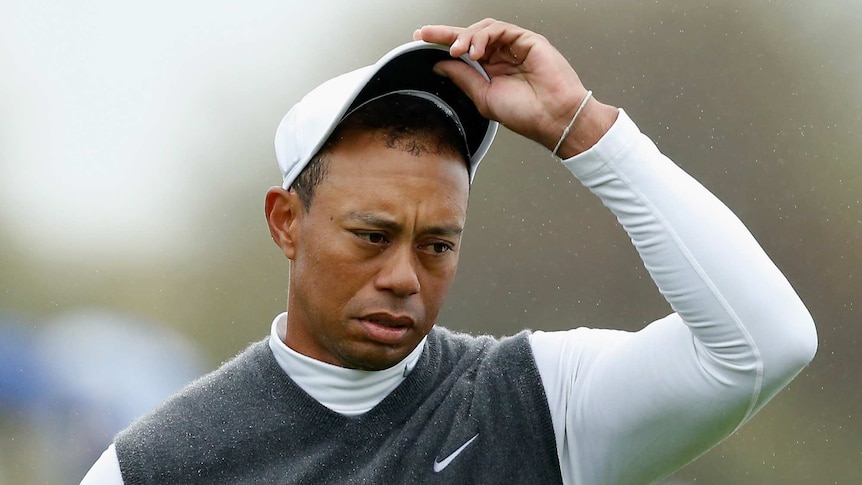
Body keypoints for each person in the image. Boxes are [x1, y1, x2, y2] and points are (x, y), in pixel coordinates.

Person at [81, 19, 817, 484]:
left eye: (437, 244)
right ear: (286, 222)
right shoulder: (156, 465)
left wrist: (583, 129)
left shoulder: (534, 403)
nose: (404, 277)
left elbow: (765, 344)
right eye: (371, 236)